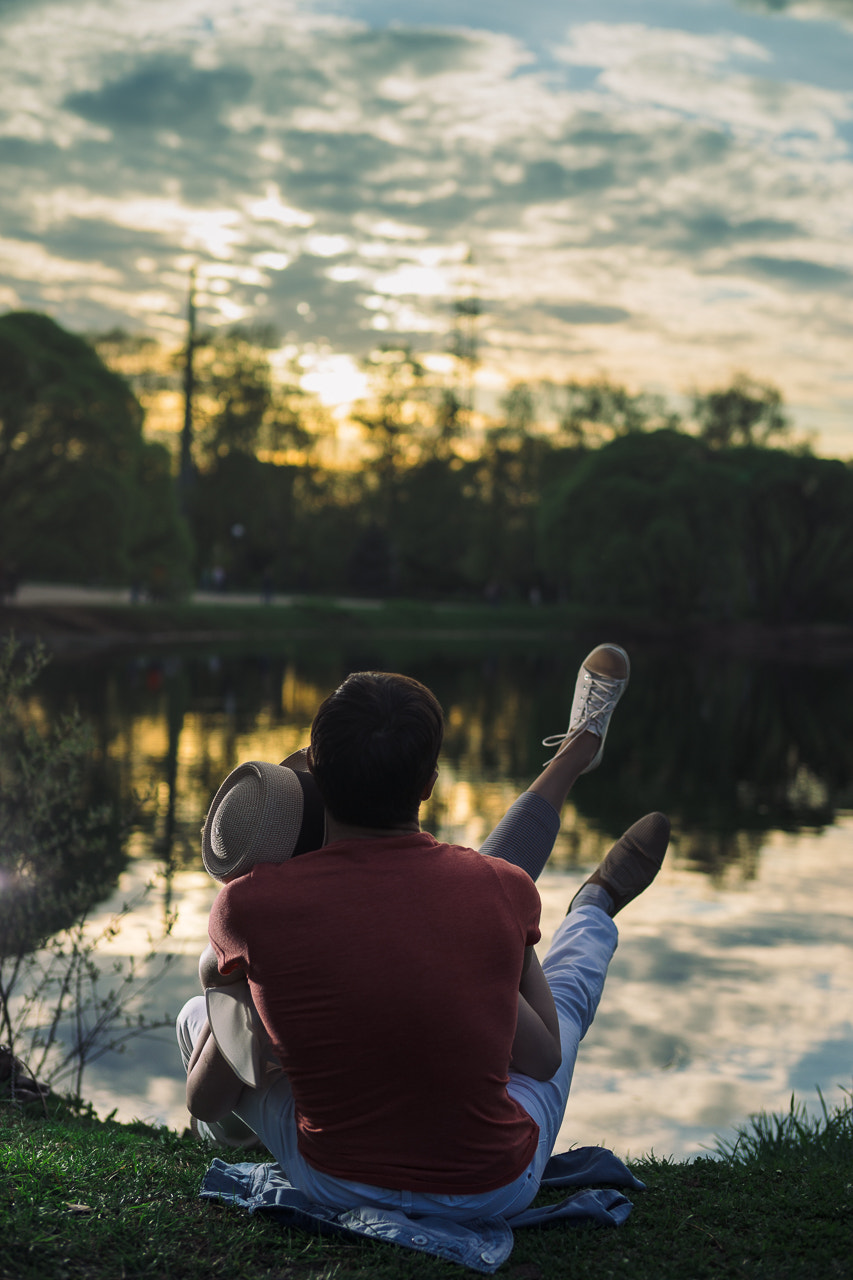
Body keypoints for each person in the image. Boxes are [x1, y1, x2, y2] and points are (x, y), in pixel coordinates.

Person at [177, 644, 670, 1220]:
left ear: (316, 770)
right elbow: (541, 1060)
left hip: (333, 1180)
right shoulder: (497, 886)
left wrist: (227, 977)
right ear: (431, 783)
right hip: (493, 1189)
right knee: (564, 991)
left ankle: (576, 759)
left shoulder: (246, 906)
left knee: (201, 1011)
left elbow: (205, 1097)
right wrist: (470, 966)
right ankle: (596, 902)